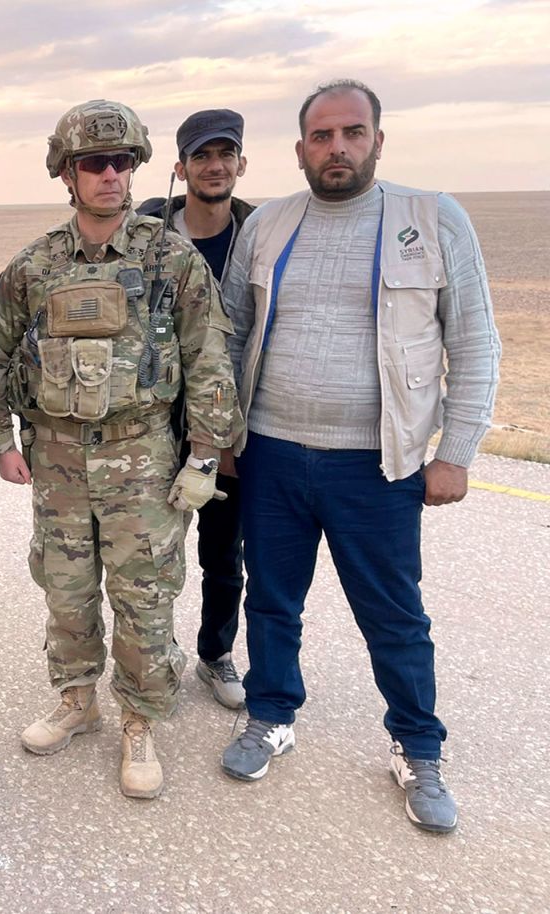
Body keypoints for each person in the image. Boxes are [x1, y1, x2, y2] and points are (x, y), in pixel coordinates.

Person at [218, 79, 501, 834]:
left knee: (394, 615)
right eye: (321, 136)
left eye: (351, 133)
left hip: (377, 465)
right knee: (272, 599)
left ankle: (417, 748)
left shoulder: (432, 218)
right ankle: (270, 715)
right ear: (301, 148)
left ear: (379, 139)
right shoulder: (270, 225)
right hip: (273, 452)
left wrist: (457, 452)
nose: (336, 147)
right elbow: (230, 334)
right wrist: (225, 436)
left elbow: (474, 341)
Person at [0, 100, 242, 799]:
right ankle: (77, 699)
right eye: (92, 164)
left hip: (144, 461)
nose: (108, 175)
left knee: (144, 599)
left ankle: (139, 719)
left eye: (120, 162)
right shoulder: (35, 266)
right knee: (66, 594)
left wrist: (204, 455)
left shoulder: (171, 257)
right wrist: (0, 440)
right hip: (61, 464)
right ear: (65, 174)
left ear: (135, 169)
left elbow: (209, 357)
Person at [136, 109, 255, 710]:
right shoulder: (147, 232)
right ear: (179, 168)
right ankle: (155, 656)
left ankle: (215, 653)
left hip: (228, 423)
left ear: (241, 162)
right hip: (155, 423)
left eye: (225, 154)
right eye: (201, 156)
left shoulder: (261, 233)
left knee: (222, 552)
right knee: (152, 554)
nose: (214, 166)